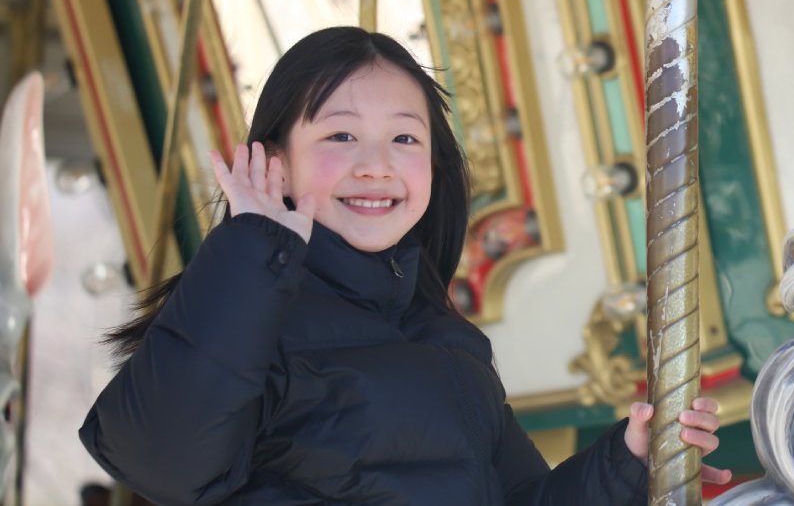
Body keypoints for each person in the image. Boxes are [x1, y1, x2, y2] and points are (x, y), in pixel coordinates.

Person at [78, 27, 731, 504]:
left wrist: (627, 461)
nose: (376, 165)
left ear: (433, 166)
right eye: (340, 135)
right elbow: (161, 461)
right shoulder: (251, 320)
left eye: (404, 137)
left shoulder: (448, 342)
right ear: (274, 161)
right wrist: (251, 248)